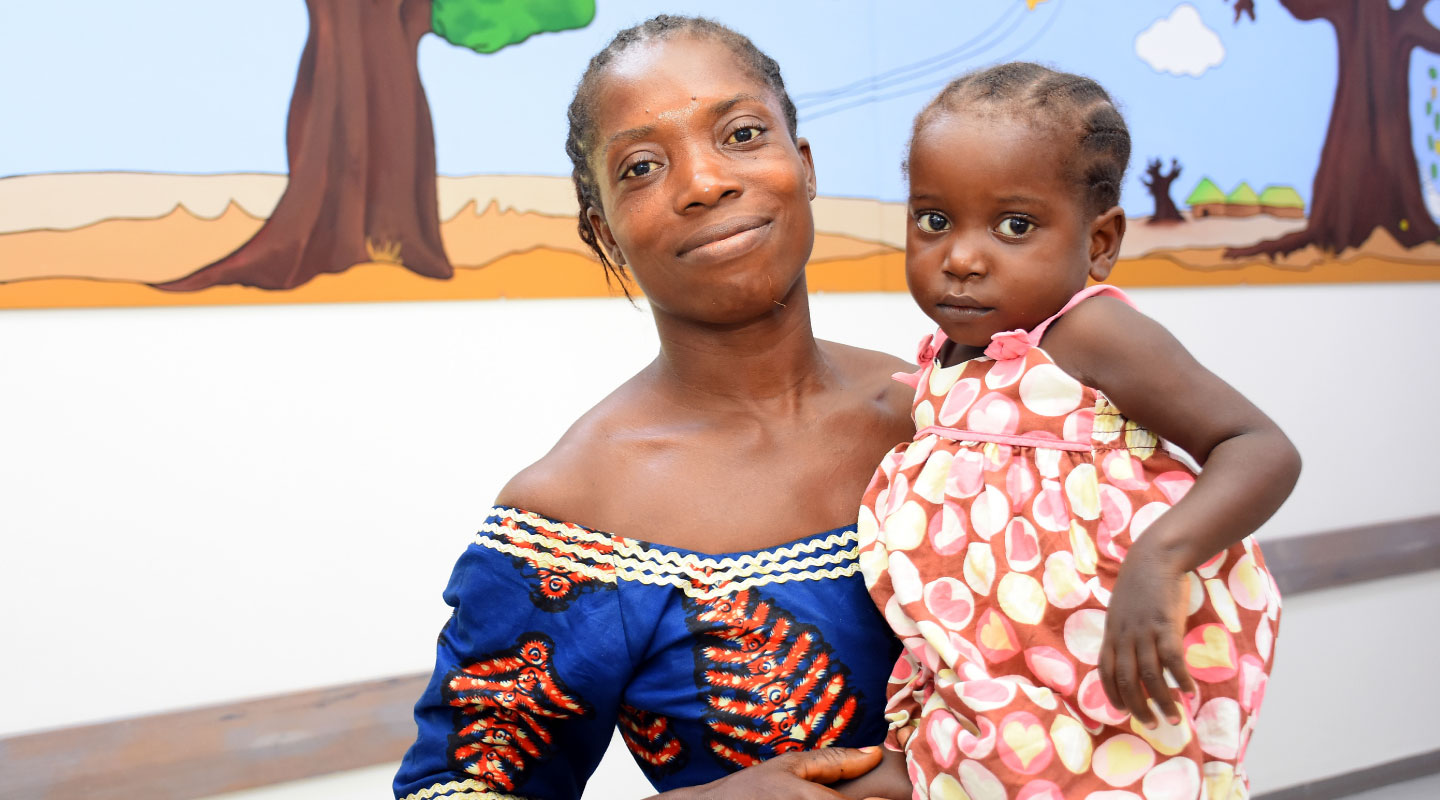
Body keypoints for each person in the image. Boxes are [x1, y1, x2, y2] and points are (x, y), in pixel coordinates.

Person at [394, 15, 917, 800]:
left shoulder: (949, 414)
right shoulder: (576, 517)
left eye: (741, 134)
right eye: (642, 166)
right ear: (605, 234)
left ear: (802, 165)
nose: (705, 182)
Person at [859, 63, 1301, 799]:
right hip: (1002, 680)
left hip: (1106, 675)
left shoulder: (1093, 332)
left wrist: (1158, 560)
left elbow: (1259, 447)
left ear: (1099, 243)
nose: (961, 258)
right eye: (933, 220)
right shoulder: (944, 360)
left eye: (1015, 226)